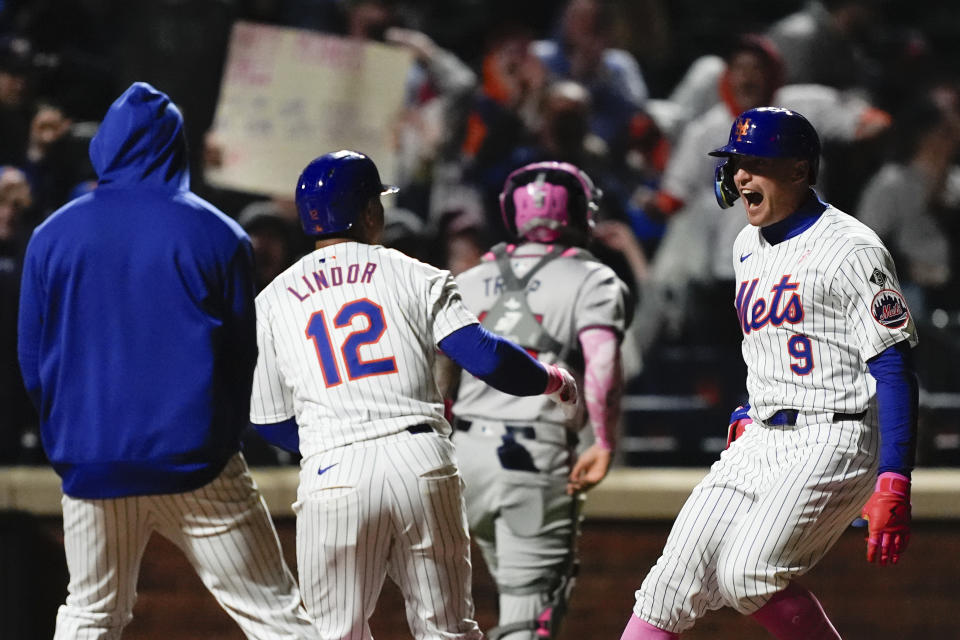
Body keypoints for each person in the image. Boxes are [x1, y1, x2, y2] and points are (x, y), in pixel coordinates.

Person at [16, 82, 314, 638]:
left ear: (104, 144)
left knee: (89, 616)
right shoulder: (219, 234)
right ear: (175, 145)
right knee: (276, 617)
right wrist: (221, 435)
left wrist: (77, 433)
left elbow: (32, 362)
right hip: (196, 463)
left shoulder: (50, 235)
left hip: (92, 461)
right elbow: (240, 358)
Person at [248, 150, 578, 639]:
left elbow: (269, 419)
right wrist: (551, 379)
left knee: (332, 634)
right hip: (419, 459)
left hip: (333, 471)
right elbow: (485, 356)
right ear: (370, 213)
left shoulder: (272, 299)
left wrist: (334, 437)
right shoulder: (412, 272)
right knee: (447, 632)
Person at [619, 107, 919, 640]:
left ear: (800, 171)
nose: (741, 175)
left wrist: (895, 477)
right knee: (666, 587)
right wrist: (748, 406)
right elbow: (770, 346)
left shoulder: (851, 247)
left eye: (758, 162)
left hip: (837, 431)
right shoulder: (744, 247)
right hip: (763, 434)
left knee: (748, 574)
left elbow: (894, 366)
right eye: (737, 162)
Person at [445, 161, 630, 640]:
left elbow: (437, 383)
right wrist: (604, 441)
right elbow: (603, 364)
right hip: (532, 456)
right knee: (532, 614)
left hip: (463, 461)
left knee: (500, 600)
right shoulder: (593, 278)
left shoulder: (466, 279)